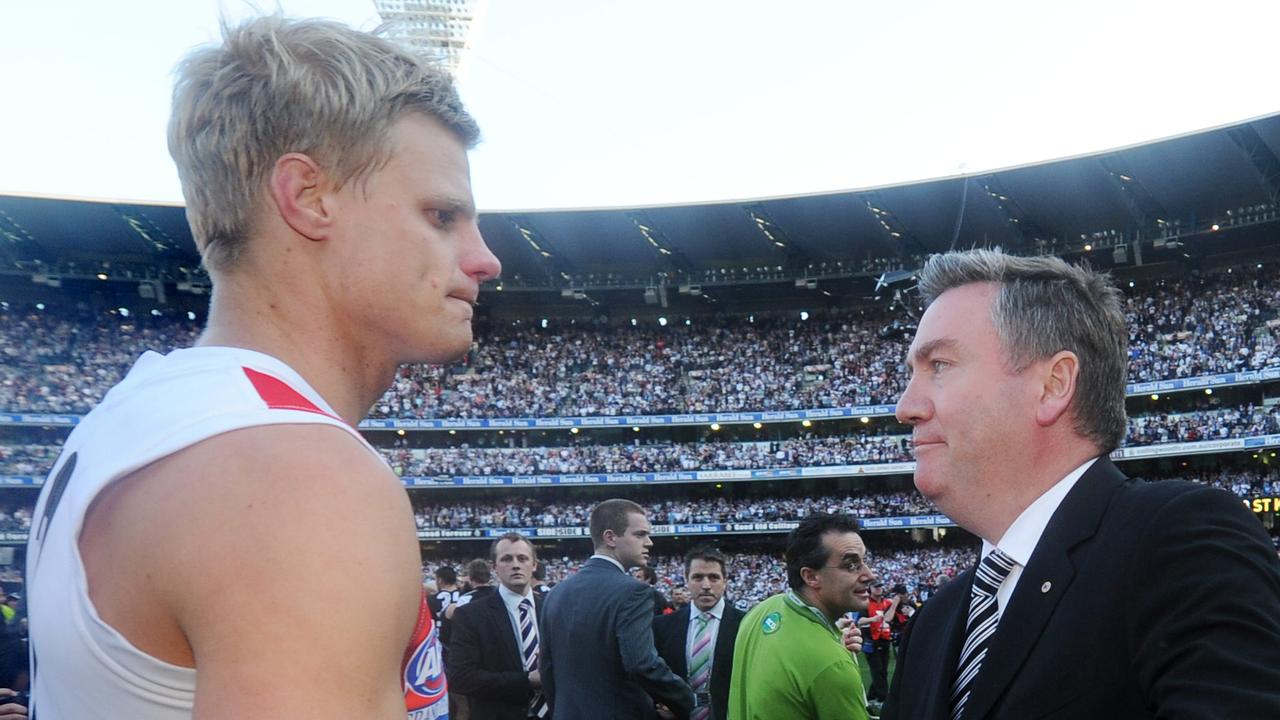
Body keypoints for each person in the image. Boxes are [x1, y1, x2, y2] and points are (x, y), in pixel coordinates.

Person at [24, 15, 500, 720]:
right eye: (440, 215)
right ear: (307, 197)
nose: (485, 258)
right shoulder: (292, 476)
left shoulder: (150, 412)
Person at [884, 249, 1280, 719]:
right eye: (913, 372)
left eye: (940, 365)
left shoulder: (1181, 542)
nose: (905, 406)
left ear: (1053, 386)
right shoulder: (935, 624)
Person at [540, 499, 693, 720]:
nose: (649, 542)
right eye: (640, 535)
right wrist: (686, 700)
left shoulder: (555, 593)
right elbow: (641, 664)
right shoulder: (634, 592)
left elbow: (547, 669)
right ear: (610, 537)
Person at [727, 513, 874, 720]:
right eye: (851, 565)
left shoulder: (762, 611)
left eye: (864, 561)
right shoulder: (831, 664)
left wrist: (830, 639)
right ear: (811, 576)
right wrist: (833, 654)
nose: (869, 574)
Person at [449, 533, 548, 720]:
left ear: (534, 565)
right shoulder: (470, 615)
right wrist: (526, 680)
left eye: (523, 558)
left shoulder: (552, 609)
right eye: (506, 559)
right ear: (494, 567)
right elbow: (460, 678)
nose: (516, 564)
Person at [653, 546, 745, 720]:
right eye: (697, 577)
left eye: (714, 577)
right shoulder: (662, 626)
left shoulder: (746, 624)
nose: (706, 586)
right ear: (686, 580)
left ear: (725, 581)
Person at [858, 581, 897, 710]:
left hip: (884, 640)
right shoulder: (866, 603)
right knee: (878, 671)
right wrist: (872, 620)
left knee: (882, 671)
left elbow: (889, 618)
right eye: (876, 587)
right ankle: (883, 698)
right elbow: (860, 621)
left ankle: (872, 697)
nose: (879, 589)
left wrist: (895, 604)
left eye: (880, 586)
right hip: (871, 641)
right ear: (870, 589)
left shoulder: (886, 603)